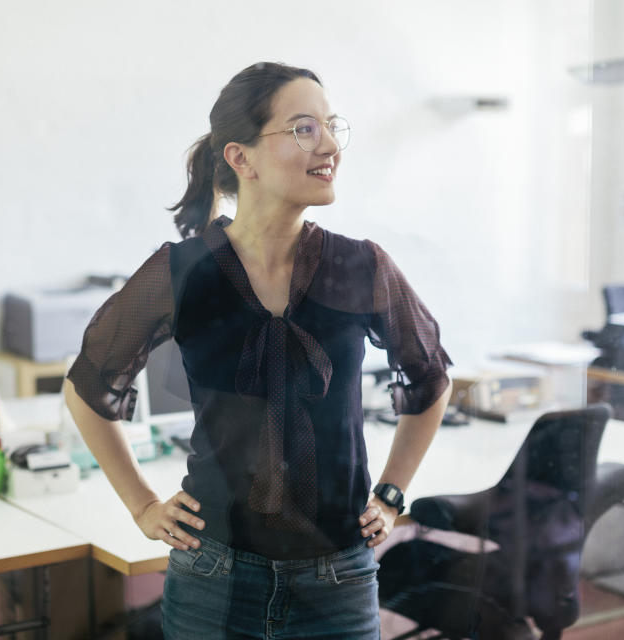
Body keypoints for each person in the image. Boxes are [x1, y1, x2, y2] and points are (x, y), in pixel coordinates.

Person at [64, 61, 453, 640]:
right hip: (212, 574)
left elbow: (430, 380)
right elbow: (87, 389)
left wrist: (393, 493)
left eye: (330, 126)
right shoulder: (182, 270)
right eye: (303, 129)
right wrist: (143, 505)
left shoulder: (362, 266)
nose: (329, 146)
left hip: (339, 578)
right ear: (240, 158)